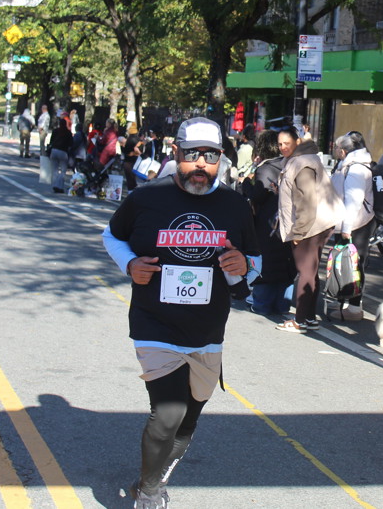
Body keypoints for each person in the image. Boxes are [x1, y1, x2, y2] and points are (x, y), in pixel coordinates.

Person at [102, 117, 261, 509]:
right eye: (192, 155)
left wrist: (244, 265)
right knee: (168, 413)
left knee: (187, 423)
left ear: (222, 158)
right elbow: (112, 235)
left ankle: (148, 480)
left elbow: (255, 262)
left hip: (207, 331)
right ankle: (150, 493)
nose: (201, 164)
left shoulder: (235, 205)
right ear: (176, 153)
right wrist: (129, 264)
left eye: (211, 156)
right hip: (154, 323)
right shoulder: (147, 197)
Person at [275, 128, 345, 332]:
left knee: (305, 271)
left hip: (310, 225)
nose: (283, 147)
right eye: (279, 144)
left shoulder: (301, 163)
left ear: (297, 142)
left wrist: (298, 232)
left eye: (287, 143)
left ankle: (300, 320)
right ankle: (309, 317)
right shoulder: (305, 158)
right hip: (319, 222)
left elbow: (306, 201)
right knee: (311, 271)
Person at [242, 130, 295, 315]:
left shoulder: (266, 168)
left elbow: (258, 194)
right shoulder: (290, 164)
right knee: (285, 264)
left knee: (266, 263)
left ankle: (262, 305)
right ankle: (283, 304)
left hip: (269, 224)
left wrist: (245, 184)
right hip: (289, 221)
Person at [330, 131, 375, 321]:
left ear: (343, 150)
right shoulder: (350, 165)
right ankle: (345, 303)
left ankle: (353, 308)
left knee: (353, 264)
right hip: (354, 222)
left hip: (355, 224)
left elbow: (354, 200)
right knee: (346, 263)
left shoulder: (355, 168)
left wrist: (346, 228)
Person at [48, 113, 73, 194]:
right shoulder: (68, 133)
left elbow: (51, 141)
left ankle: (55, 185)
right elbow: (71, 144)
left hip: (54, 150)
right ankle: (60, 186)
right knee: (63, 171)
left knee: (54, 170)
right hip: (63, 152)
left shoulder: (55, 131)